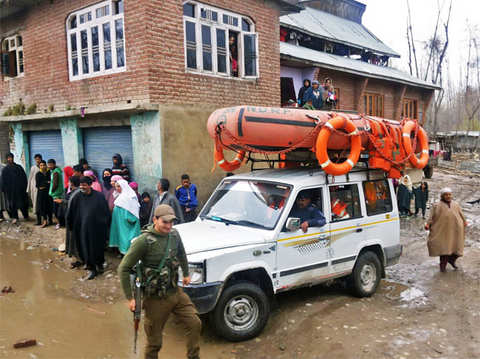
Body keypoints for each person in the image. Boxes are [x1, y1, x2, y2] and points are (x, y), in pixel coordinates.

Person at [118, 204, 201, 359]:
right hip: (155, 299)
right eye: (165, 222)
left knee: (195, 323)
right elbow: (123, 268)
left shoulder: (174, 235)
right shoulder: (144, 241)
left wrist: (186, 274)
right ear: (155, 220)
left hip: (176, 292)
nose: (169, 226)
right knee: (155, 342)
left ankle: (193, 356)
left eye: (171, 222)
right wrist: (130, 298)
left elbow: (182, 254)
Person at [67, 176, 110, 280]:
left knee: (98, 248)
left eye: (84, 185)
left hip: (97, 229)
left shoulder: (99, 196)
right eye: (81, 185)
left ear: (90, 185)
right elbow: (70, 213)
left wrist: (104, 226)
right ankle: (91, 269)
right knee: (86, 248)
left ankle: (99, 265)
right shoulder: (77, 197)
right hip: (82, 229)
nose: (82, 187)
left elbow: (105, 212)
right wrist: (72, 226)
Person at [425, 188, 467, 272]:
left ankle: (451, 260)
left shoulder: (456, 204)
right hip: (442, 231)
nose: (448, 196)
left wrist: (464, 221)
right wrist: (428, 224)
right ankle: (442, 267)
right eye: (446, 195)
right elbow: (431, 217)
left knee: (457, 249)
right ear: (442, 196)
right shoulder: (436, 205)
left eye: (449, 194)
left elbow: (461, 214)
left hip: (455, 230)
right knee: (444, 250)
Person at [109, 179, 141, 255]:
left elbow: (133, 211)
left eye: (119, 186)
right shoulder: (121, 196)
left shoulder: (129, 197)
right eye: (116, 186)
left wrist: (129, 218)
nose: (117, 188)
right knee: (122, 238)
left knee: (126, 238)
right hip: (120, 222)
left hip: (126, 223)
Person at [56, 176, 82, 263]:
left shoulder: (77, 193)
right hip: (71, 218)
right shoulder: (74, 192)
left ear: (72, 183)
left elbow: (72, 203)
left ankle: (78, 257)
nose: (68, 183)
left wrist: (62, 201)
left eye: (69, 182)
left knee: (74, 238)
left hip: (74, 219)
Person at [1, 153, 29, 224]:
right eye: (8, 158)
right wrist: (4, 190)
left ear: (13, 158)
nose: (10, 159)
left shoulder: (19, 167)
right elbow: (3, 181)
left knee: (23, 203)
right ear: (6, 159)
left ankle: (25, 215)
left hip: (20, 190)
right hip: (10, 191)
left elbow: (24, 178)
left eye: (11, 157)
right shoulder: (5, 170)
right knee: (12, 205)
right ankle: (15, 217)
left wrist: (25, 187)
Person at [35, 160, 53, 228]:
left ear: (46, 165)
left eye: (43, 165)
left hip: (48, 193)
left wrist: (45, 184)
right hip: (41, 194)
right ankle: (45, 221)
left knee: (49, 206)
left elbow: (51, 182)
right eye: (41, 165)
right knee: (42, 207)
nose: (42, 167)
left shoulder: (49, 173)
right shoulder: (38, 174)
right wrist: (47, 183)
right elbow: (38, 185)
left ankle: (50, 220)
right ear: (39, 166)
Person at [48, 159, 65, 228]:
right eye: (48, 165)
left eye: (50, 165)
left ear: (54, 164)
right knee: (59, 210)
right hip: (58, 193)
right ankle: (61, 223)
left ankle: (59, 223)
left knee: (56, 211)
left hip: (56, 194)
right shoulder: (56, 171)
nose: (49, 166)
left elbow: (55, 184)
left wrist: (52, 191)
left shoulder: (55, 172)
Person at [27, 153, 42, 221]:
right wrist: (28, 188)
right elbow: (30, 178)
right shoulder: (33, 168)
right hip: (34, 188)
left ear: (41, 159)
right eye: (36, 159)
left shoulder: (43, 167)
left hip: (42, 188)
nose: (37, 160)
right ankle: (38, 218)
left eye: (38, 159)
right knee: (35, 202)